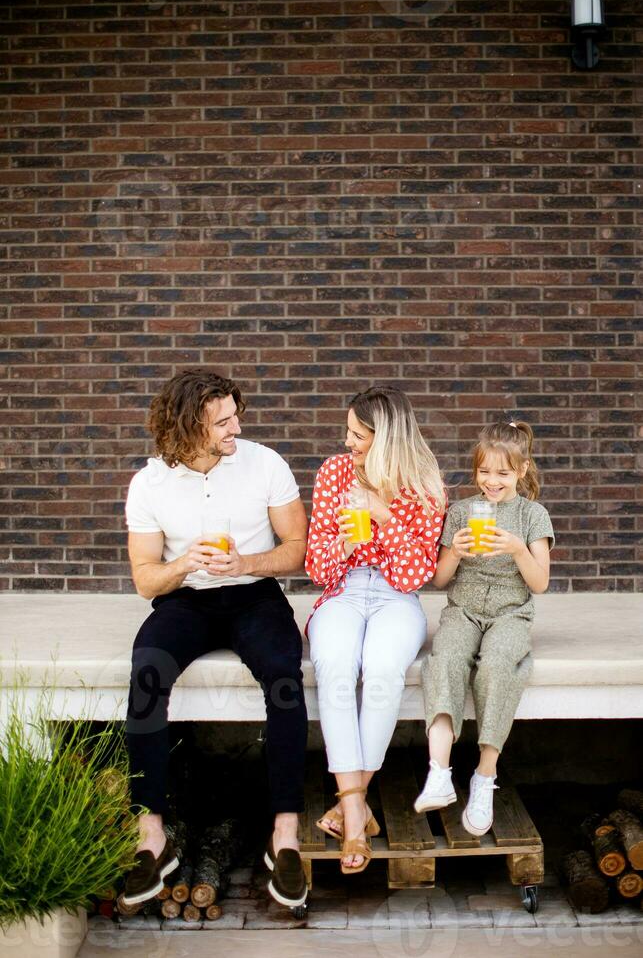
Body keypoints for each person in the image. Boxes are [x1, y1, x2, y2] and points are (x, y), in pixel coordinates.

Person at [122, 369, 309, 910]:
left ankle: (285, 834)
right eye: (221, 421)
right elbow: (144, 579)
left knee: (282, 675)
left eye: (235, 415)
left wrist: (246, 562)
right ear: (186, 427)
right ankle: (151, 835)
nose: (236, 427)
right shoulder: (150, 483)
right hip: (187, 600)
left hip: (254, 596)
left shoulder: (264, 462)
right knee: (147, 672)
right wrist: (184, 564)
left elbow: (297, 548)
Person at [305, 386, 446, 874]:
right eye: (348, 431)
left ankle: (349, 807)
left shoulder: (425, 484)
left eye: (359, 435)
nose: (348, 442)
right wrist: (342, 546)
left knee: (384, 669)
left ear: (386, 439)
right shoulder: (333, 473)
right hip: (343, 588)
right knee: (336, 665)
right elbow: (316, 568)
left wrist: (384, 518)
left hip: (396, 596)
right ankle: (356, 813)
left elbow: (414, 576)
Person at [415, 420, 554, 836]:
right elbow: (439, 580)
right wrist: (454, 553)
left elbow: (540, 583)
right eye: (484, 472)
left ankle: (483, 776)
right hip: (465, 609)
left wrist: (515, 547)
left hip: (511, 612)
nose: (492, 482)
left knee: (496, 666)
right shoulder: (460, 511)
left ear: (522, 470)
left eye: (503, 473)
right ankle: (439, 773)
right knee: (446, 659)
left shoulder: (532, 515)